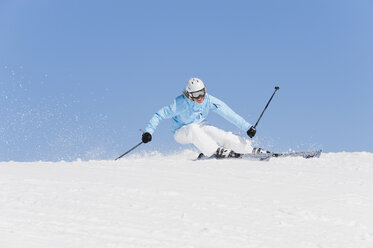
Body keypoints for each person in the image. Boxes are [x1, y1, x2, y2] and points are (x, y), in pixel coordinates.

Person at [141, 77, 261, 159]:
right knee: (193, 128)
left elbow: (227, 113)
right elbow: (159, 115)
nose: (200, 98)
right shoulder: (179, 104)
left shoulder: (208, 100)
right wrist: (148, 132)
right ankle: (215, 151)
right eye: (196, 95)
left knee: (216, 133)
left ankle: (248, 149)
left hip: (200, 126)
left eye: (202, 93)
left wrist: (247, 127)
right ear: (189, 94)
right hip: (181, 132)